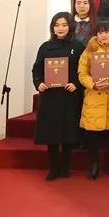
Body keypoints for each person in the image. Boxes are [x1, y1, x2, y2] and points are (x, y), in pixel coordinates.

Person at [32, 12, 84, 180]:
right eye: (57, 25)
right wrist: (38, 82)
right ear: (52, 28)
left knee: (68, 132)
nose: (60, 28)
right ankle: (54, 168)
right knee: (51, 132)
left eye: (63, 25)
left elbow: (83, 69)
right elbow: (37, 69)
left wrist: (75, 82)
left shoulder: (77, 46)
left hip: (69, 95)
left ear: (70, 27)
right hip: (50, 95)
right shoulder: (45, 47)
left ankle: (65, 166)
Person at [78, 20, 109, 180]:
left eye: (107, 31)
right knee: (92, 136)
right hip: (94, 96)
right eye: (100, 32)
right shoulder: (90, 49)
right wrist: (92, 84)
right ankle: (94, 165)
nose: (104, 35)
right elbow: (82, 72)